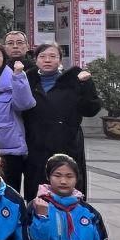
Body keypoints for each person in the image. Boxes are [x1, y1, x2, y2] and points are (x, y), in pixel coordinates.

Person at [24, 42, 101, 199]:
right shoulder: (27, 81)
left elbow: (91, 109)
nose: (47, 60)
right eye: (42, 56)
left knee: (67, 190)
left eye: (53, 56)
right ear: (35, 60)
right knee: (37, 192)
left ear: (60, 61)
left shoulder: (73, 81)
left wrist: (87, 86)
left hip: (66, 143)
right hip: (36, 144)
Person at [0, 43, 35, 194]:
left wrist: (19, 77)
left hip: (8, 148)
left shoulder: (14, 78)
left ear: (4, 59)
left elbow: (25, 104)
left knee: (8, 192)